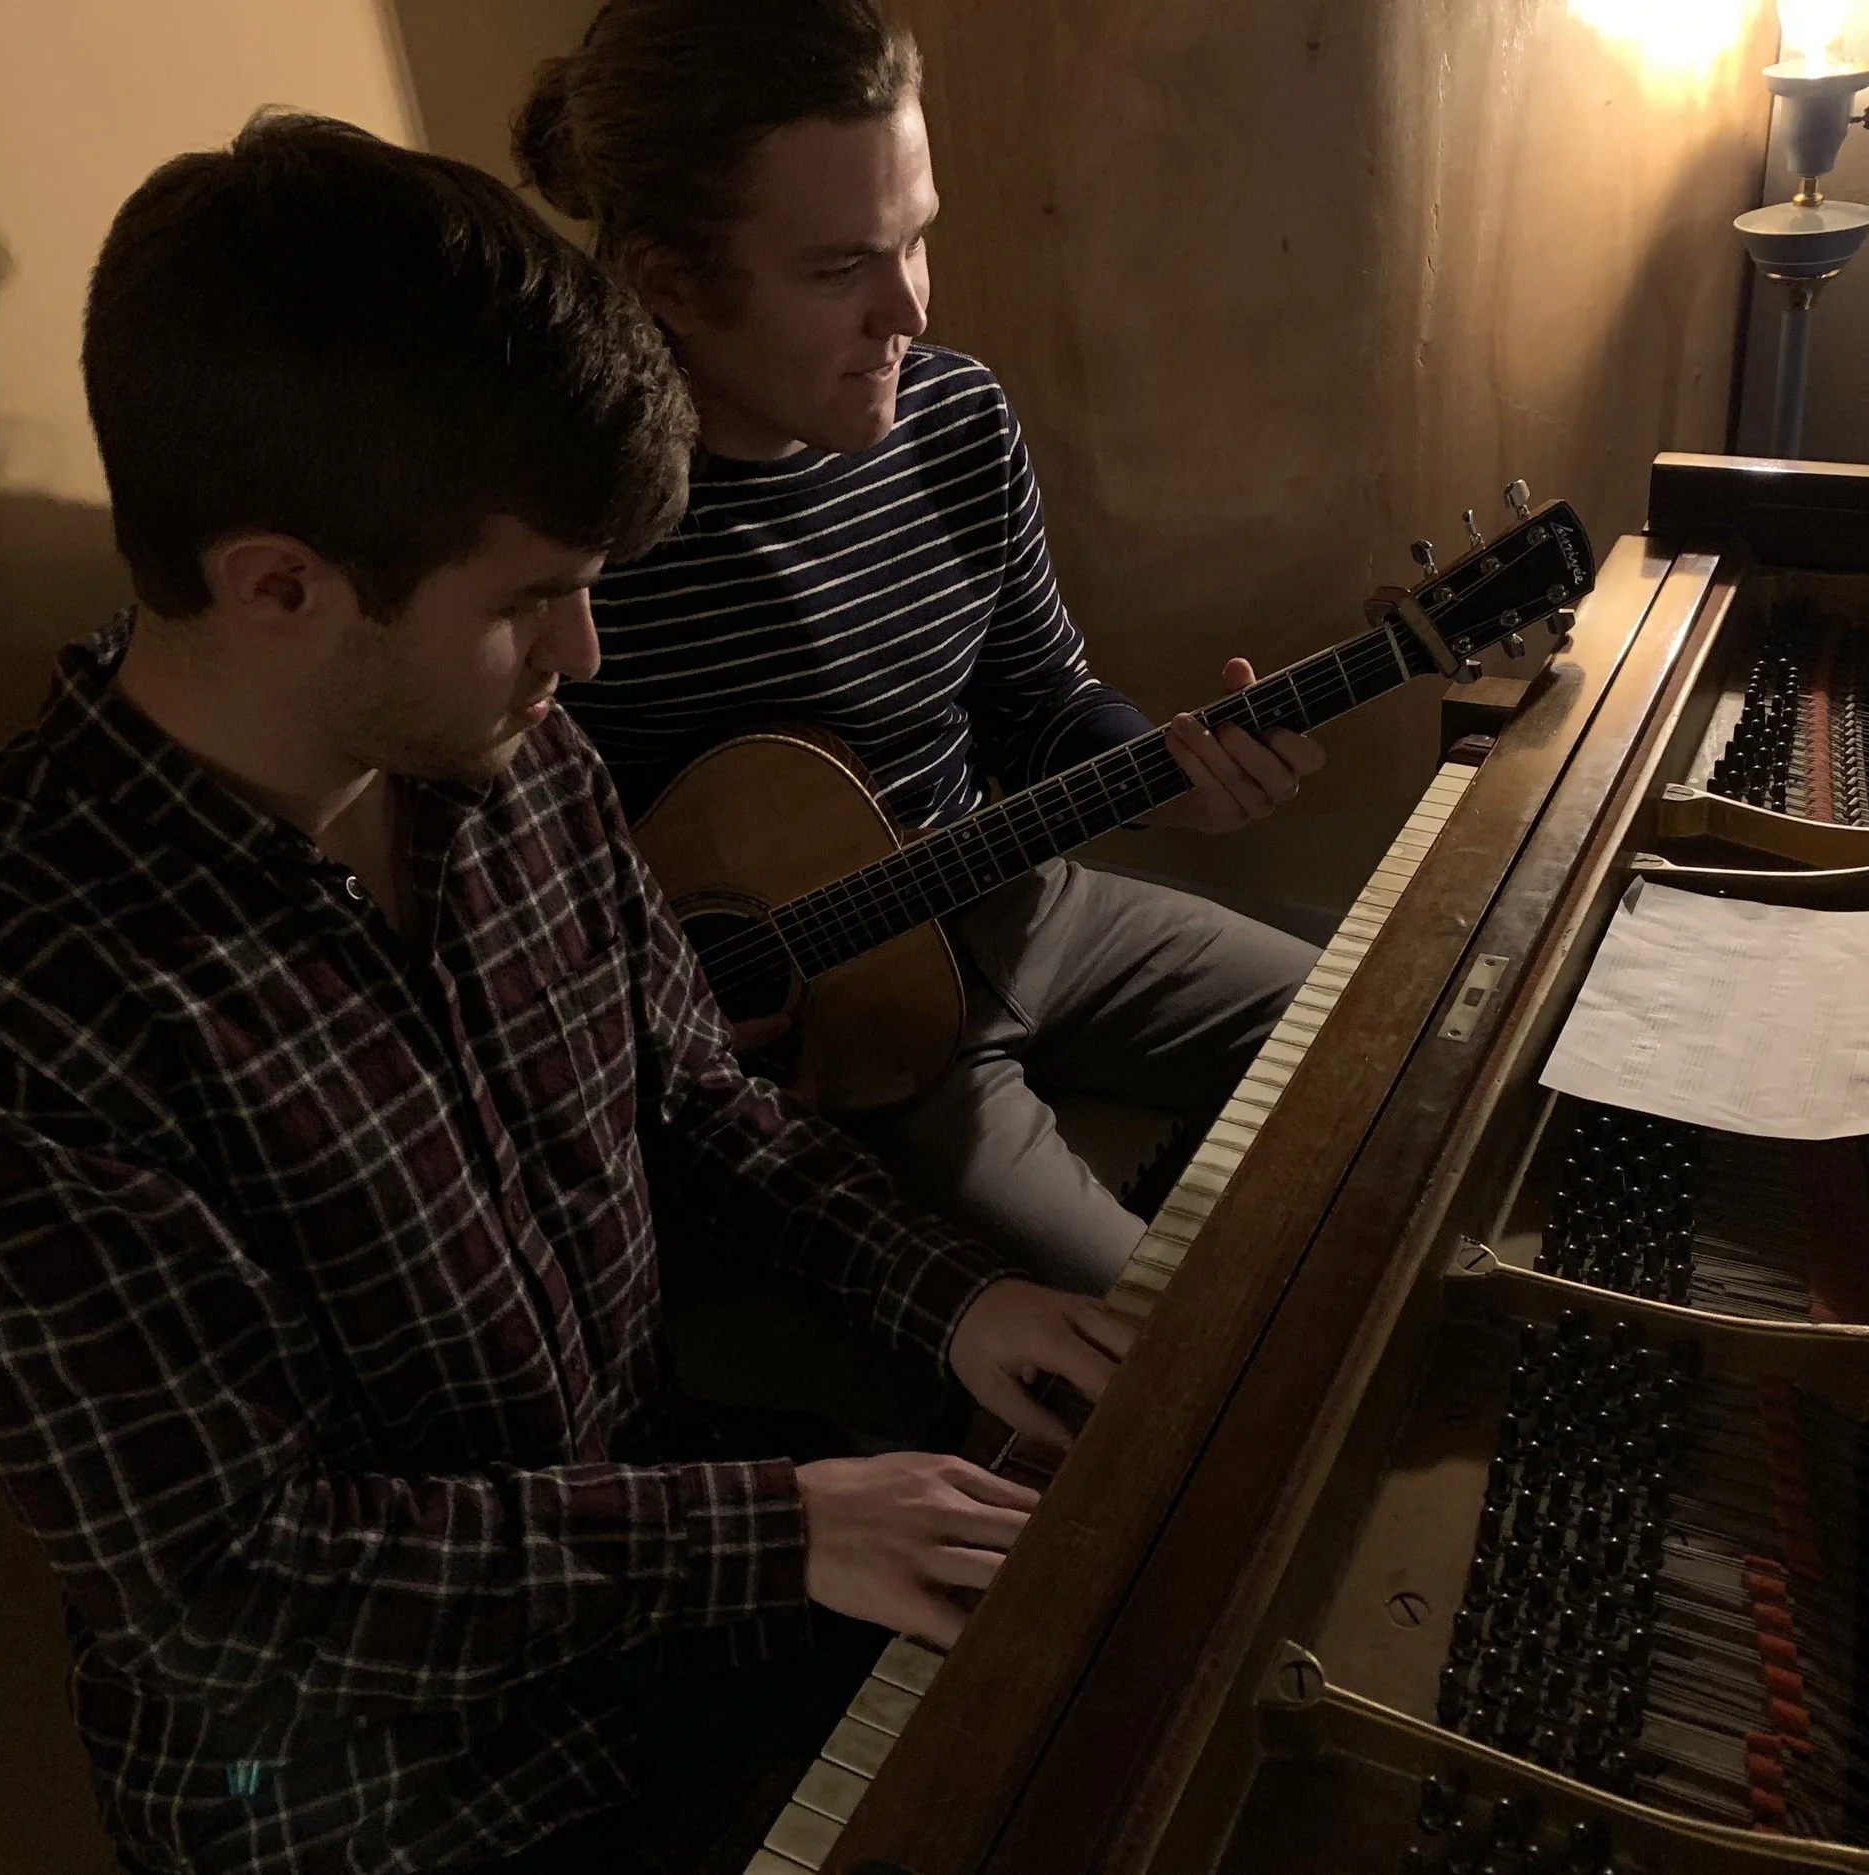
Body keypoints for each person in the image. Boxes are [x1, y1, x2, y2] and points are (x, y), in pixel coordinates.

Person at [0, 113, 1128, 1875]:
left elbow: (692, 1099)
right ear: (274, 584)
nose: (582, 658)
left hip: (680, 1623)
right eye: (534, 602)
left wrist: (958, 1300)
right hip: (400, 1803)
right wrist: (778, 1526)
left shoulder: (510, 757)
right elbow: (229, 1582)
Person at [516, 0, 1328, 1293]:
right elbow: (510, 873)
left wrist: (1173, 771)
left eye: (917, 240)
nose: (908, 308)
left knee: (1394, 1042)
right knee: (1156, 1338)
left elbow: (1039, 698)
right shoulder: (562, 539)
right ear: (664, 278)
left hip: (1025, 900)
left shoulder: (955, 420)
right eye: (840, 268)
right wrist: (659, 1001)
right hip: (869, 1045)